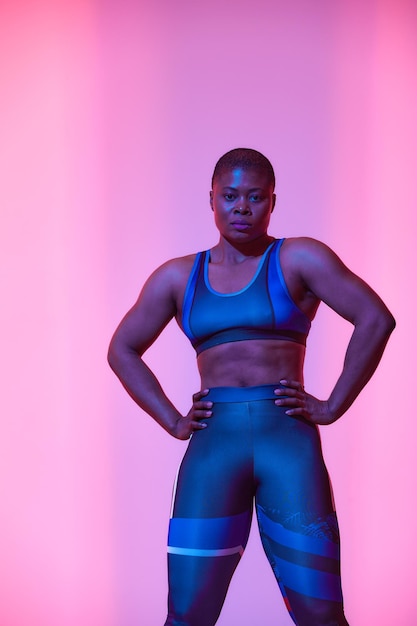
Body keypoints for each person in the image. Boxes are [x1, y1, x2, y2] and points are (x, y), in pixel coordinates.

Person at [108, 148, 395, 626]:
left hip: (288, 445)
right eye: (231, 196)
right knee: (186, 615)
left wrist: (333, 405)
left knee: (321, 614)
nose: (242, 207)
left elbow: (375, 318)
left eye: (255, 197)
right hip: (213, 450)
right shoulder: (178, 276)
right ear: (212, 200)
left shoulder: (300, 257)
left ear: (272, 202)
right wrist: (173, 419)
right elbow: (122, 349)